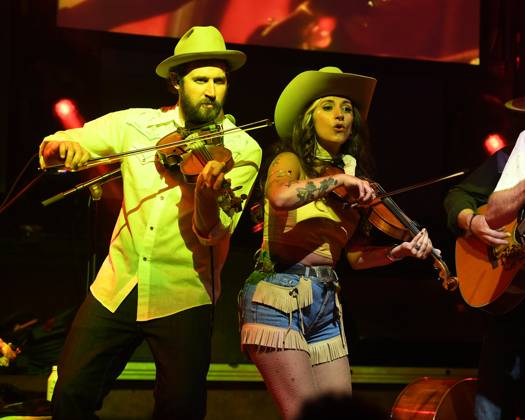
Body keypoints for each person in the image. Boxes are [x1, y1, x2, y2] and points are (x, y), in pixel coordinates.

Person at [38, 25, 262, 420]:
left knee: (180, 409)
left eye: (219, 81)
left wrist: (207, 196)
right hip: (119, 282)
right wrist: (65, 146)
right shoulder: (135, 125)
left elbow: (213, 233)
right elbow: (58, 144)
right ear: (176, 82)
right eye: (200, 80)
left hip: (185, 292)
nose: (211, 91)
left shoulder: (242, 148)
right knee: (70, 393)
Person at [238, 66, 434, 420]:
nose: (340, 114)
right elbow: (280, 198)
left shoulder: (353, 184)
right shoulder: (289, 160)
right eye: (327, 106)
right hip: (278, 296)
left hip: (327, 302)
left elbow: (356, 258)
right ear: (308, 118)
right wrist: (338, 179)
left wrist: (398, 251)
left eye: (346, 107)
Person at [443, 96, 525, 419]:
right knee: (491, 405)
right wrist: (473, 221)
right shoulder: (510, 159)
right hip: (509, 298)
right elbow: (459, 197)